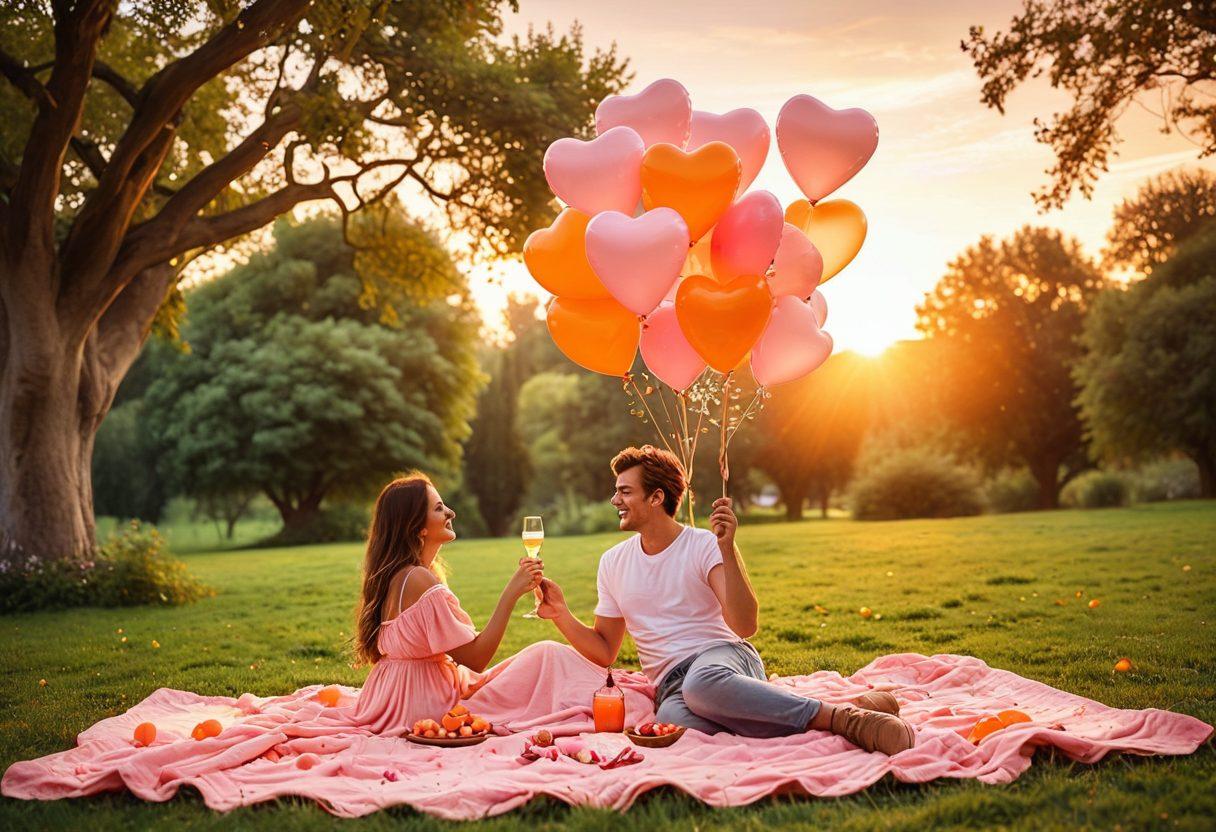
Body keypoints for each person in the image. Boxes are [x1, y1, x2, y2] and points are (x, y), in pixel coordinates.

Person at [538, 445, 916, 755]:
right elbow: (605, 650)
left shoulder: (703, 544)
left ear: (656, 497)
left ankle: (847, 720)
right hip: (671, 684)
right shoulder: (613, 562)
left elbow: (744, 625)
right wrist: (561, 615)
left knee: (702, 686)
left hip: (722, 658)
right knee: (682, 726)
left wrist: (727, 549)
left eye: (624, 491)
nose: (614, 499)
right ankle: (848, 707)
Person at [353, 474, 645, 734]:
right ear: (417, 527)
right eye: (439, 507)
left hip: (400, 693)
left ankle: (610, 691)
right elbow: (477, 658)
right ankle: (621, 699)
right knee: (546, 657)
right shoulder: (417, 579)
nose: (450, 511)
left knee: (544, 656)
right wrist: (511, 593)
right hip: (427, 704)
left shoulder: (402, 575)